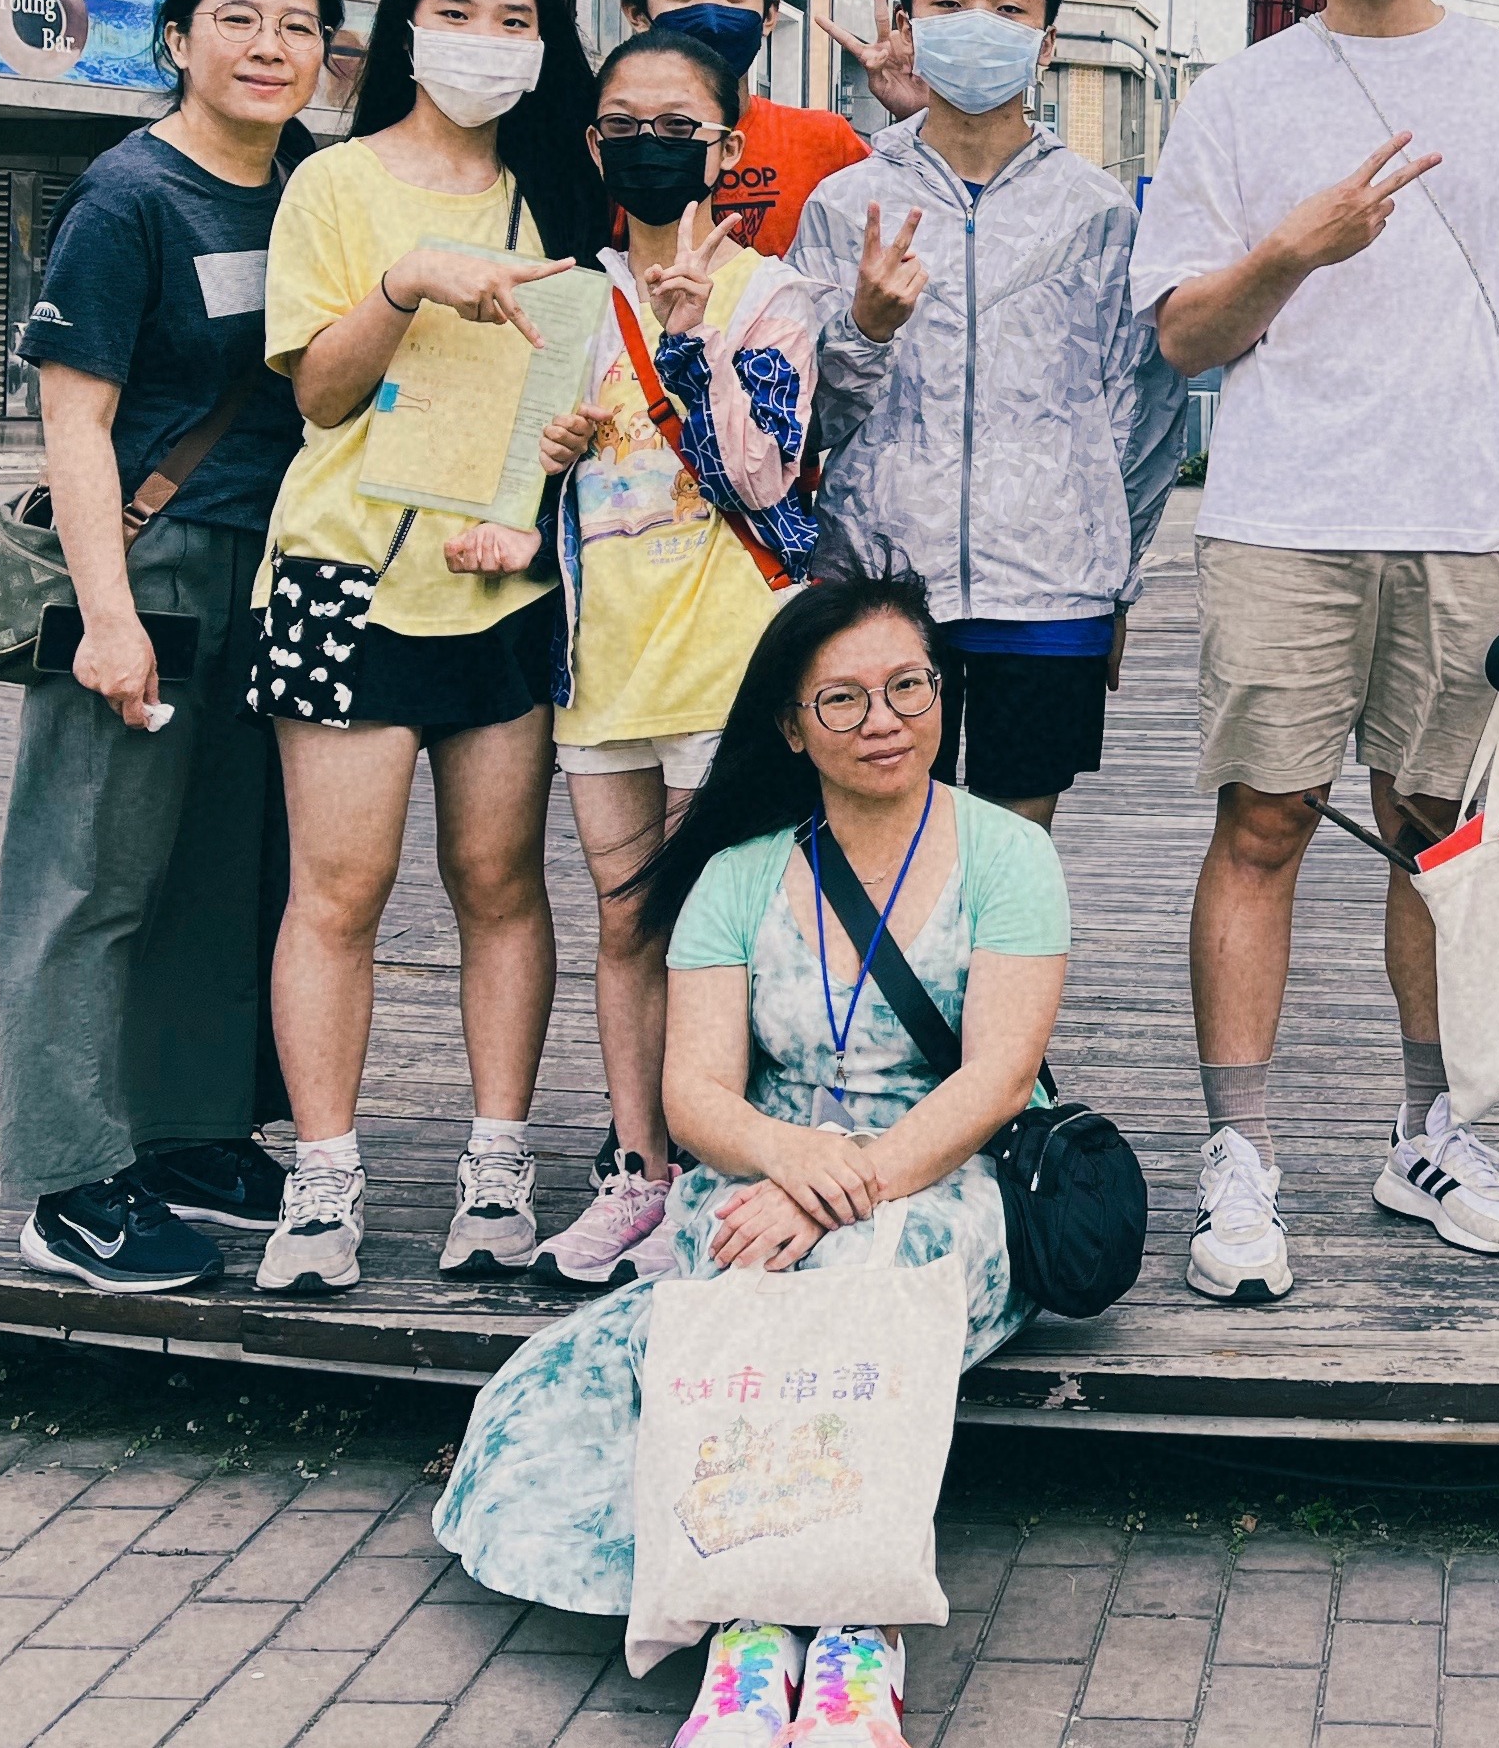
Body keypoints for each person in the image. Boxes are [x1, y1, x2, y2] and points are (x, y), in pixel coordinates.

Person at [1131, 0, 1499, 1304]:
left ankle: (1430, 1134)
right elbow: (1186, 336)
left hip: (1463, 521)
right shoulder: (1237, 98)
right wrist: (1297, 248)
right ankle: (1242, 1156)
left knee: (1438, 838)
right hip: (1282, 518)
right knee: (1262, 824)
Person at [432, 576, 1066, 1738]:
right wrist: (788, 1162)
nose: (884, 720)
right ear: (791, 725)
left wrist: (839, 1189)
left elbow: (996, 1081)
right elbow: (694, 1098)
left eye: (909, 687)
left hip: (942, 1177)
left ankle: (857, 1638)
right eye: (844, 700)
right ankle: (754, 1635)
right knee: (744, 1276)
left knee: (859, 1268)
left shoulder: (1009, 855)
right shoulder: (737, 873)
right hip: (758, 1171)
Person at [245, 0, 613, 1295]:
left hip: (502, 585)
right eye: (458, 13)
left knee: (500, 884)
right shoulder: (333, 185)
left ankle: (498, 1164)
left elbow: (586, 394)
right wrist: (408, 283)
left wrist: (563, 455)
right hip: (342, 576)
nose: (486, 43)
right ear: (407, 25)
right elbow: (319, 392)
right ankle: (323, 1178)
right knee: (336, 892)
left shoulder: (559, 197)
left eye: (518, 22)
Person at [0, 0, 341, 1292]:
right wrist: (106, 614)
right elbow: (73, 421)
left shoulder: (314, 185)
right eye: (238, 18)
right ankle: (71, 1181)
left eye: (299, 25)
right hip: (153, 558)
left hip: (278, 559)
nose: (270, 47)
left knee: (223, 866)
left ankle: (192, 1132)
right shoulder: (129, 195)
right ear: (180, 39)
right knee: (91, 872)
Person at [531, 29, 838, 1290]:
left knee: (730, 929)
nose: (648, 146)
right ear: (594, 143)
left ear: (724, 148)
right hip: (602, 663)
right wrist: (540, 460)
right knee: (625, 926)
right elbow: (516, 475)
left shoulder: (774, 297)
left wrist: (692, 338)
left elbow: (764, 477)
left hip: (731, 663)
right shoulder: (564, 297)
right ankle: (637, 1173)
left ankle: (732, 1173)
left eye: (677, 127)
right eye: (624, 126)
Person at [794, 0, 1186, 828]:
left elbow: (1142, 414)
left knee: (1017, 839)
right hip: (876, 580)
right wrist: (863, 329)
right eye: (950, 2)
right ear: (908, 26)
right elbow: (801, 418)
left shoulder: (1098, 213)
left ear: (1045, 44)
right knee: (877, 830)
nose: (979, 24)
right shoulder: (846, 205)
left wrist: (1113, 576)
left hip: (1052, 589)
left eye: (1009, 8)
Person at [614, 0, 869, 258]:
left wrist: (919, 108)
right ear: (637, 14)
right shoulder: (615, 142)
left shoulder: (826, 144)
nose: (711, 16)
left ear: (769, 15)